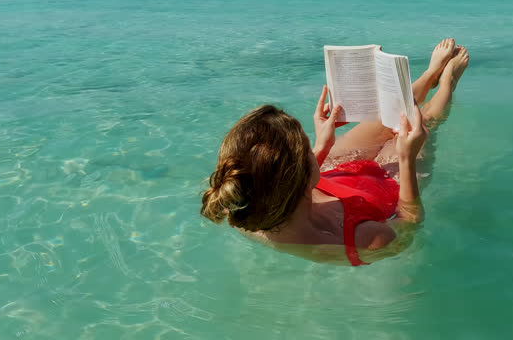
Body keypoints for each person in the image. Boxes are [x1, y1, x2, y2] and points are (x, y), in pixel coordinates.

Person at [201, 39, 470, 266]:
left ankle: (429, 75)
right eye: (307, 146)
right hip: (382, 194)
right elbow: (409, 225)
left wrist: (322, 146)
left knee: (391, 116)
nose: (312, 145)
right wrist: (405, 157)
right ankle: (446, 83)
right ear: (301, 175)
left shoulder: (243, 206)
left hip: (330, 178)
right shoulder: (364, 241)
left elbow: (281, 184)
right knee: (424, 122)